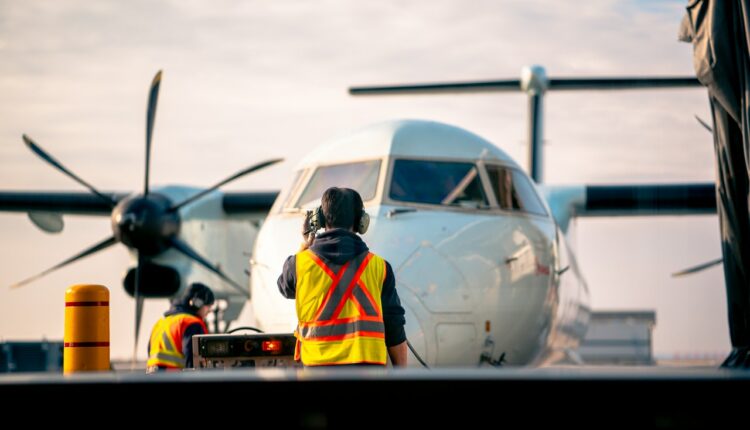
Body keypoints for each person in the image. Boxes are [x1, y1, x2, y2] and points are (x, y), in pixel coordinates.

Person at [277, 187, 408, 367]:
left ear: (319, 219)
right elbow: (394, 327)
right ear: (361, 222)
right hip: (367, 375)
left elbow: (285, 288)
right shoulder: (380, 268)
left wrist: (305, 244)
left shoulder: (299, 265)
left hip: (317, 373)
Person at [146, 282, 215, 373]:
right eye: (208, 306)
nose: (210, 311)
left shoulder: (161, 323)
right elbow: (193, 361)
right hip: (175, 380)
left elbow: (149, 352)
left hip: (152, 379)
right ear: (197, 303)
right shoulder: (191, 323)